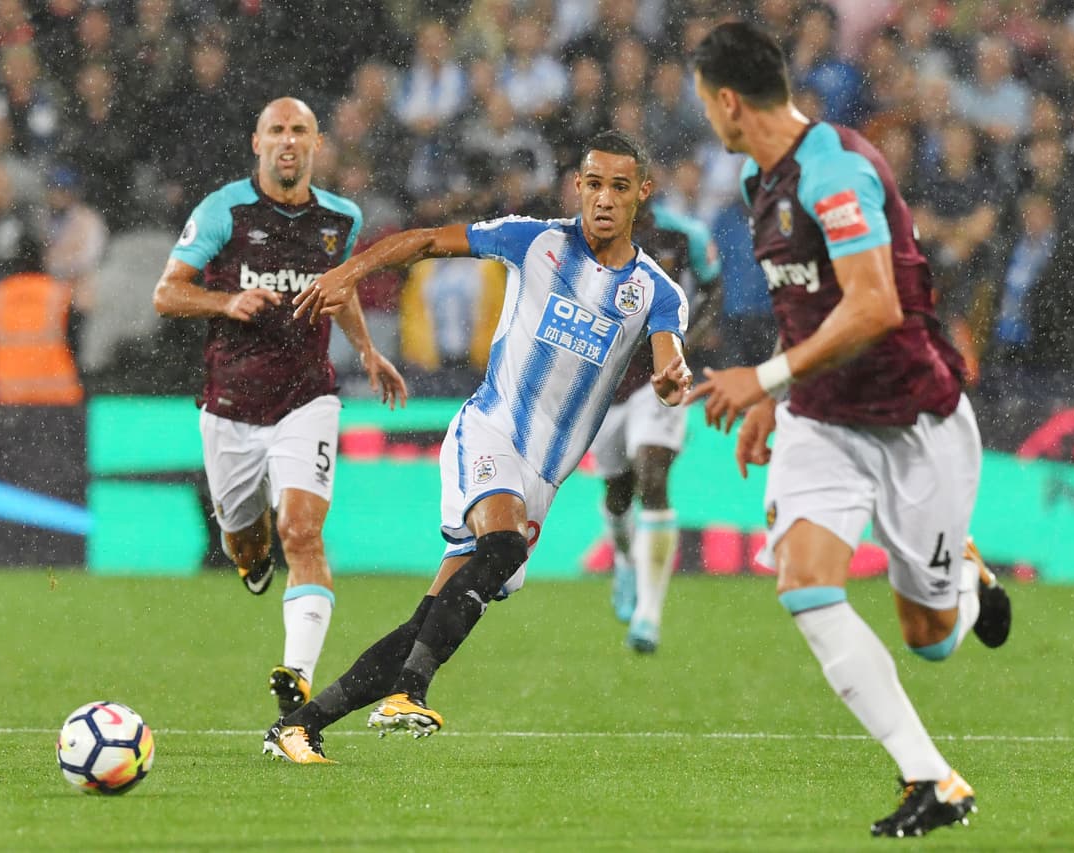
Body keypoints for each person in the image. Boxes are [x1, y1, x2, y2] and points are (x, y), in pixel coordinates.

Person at [264, 130, 692, 764]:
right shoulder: (535, 240)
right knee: (503, 544)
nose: (604, 199)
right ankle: (411, 693)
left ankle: (298, 726)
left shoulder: (657, 291)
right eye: (594, 184)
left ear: (641, 194)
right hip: (489, 429)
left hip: (543, 478)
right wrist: (349, 272)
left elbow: (669, 354)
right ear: (578, 186)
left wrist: (671, 378)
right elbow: (427, 242)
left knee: (427, 622)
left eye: (619, 188)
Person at [688, 23, 1012, 839]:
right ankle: (931, 776)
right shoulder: (755, 181)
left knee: (930, 638)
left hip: (916, 419)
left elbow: (875, 305)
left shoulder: (835, 169)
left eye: (703, 100)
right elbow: (807, 305)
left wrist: (760, 380)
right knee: (803, 580)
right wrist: (775, 396)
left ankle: (964, 578)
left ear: (727, 101)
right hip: (821, 418)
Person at [152, 97, 408, 728]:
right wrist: (226, 302)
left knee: (302, 531)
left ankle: (297, 674)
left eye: (299, 131)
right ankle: (251, 559)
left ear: (317, 144)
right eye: (276, 132)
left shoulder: (340, 217)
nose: (288, 142)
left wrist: (369, 352)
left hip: (306, 397)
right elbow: (167, 294)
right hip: (232, 403)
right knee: (243, 540)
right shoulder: (224, 211)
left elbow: (337, 290)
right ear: (256, 143)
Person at [592, 200, 722, 653]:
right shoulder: (586, 236)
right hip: (605, 383)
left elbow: (713, 288)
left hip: (662, 377)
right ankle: (627, 561)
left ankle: (648, 614)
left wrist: (686, 341)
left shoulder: (682, 236)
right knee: (618, 491)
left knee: (653, 478)